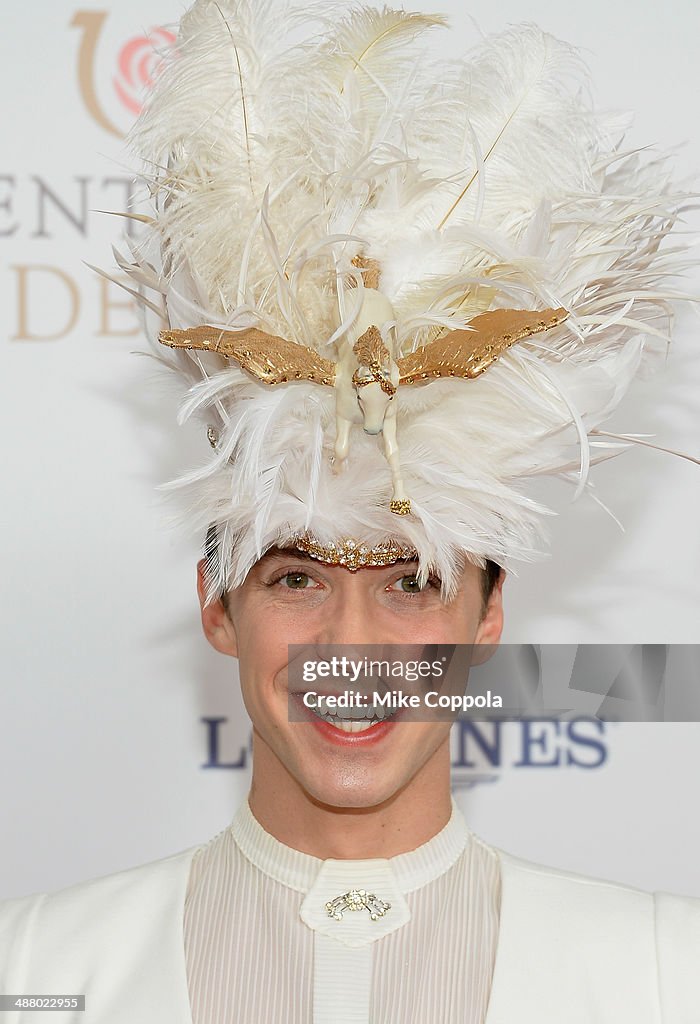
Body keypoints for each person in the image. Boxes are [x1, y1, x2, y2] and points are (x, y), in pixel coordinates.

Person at [1, 1, 699, 1021]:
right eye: (297, 577)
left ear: (488, 612)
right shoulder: (33, 965)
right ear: (215, 604)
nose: (350, 644)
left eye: (411, 582)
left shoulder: (662, 973)